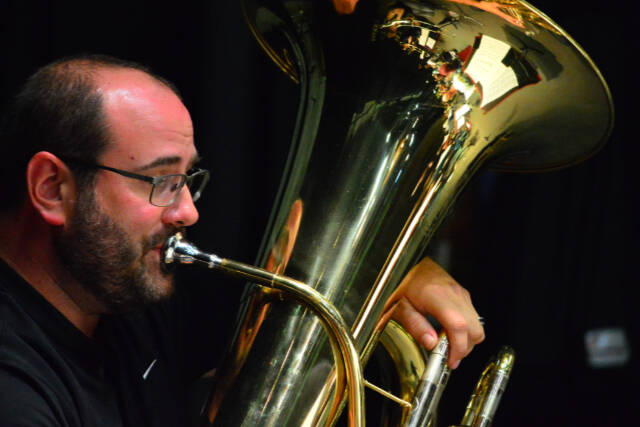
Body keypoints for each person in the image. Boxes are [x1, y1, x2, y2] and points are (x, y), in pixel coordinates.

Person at [0, 54, 483, 425]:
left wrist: (390, 274)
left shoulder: (120, 287)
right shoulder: (15, 389)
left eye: (188, 180)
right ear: (52, 189)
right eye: (160, 181)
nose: (188, 211)